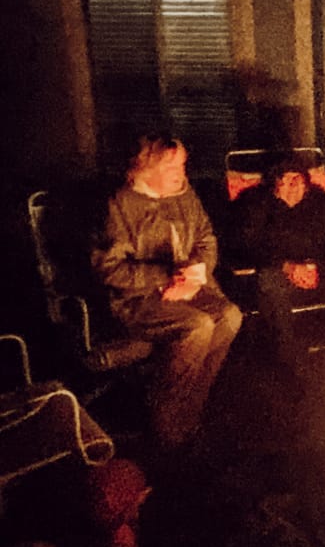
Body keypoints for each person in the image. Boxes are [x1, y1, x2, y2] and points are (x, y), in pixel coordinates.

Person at [92, 134, 243, 451]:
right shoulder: (120, 205)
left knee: (229, 316)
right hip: (139, 299)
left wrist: (198, 269)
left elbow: (206, 238)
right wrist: (164, 277)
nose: (181, 171)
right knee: (197, 326)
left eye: (183, 163)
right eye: (171, 164)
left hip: (190, 287)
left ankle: (190, 410)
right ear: (146, 168)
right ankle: (167, 422)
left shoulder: (184, 196)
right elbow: (109, 269)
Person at [232, 155, 325, 377]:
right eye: (286, 180)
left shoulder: (320, 201)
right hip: (284, 280)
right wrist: (287, 267)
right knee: (268, 278)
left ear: (307, 183)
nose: (293, 186)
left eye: (299, 180)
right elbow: (248, 246)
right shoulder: (256, 205)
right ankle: (290, 362)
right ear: (275, 184)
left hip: (324, 275)